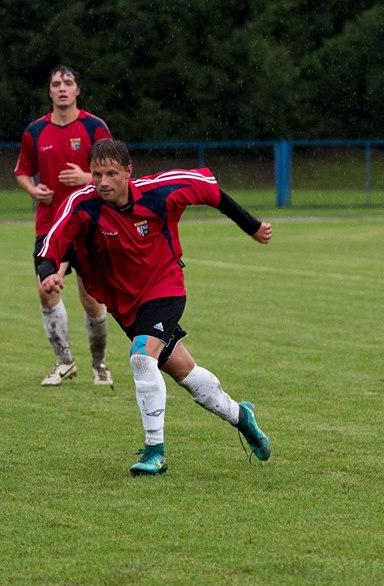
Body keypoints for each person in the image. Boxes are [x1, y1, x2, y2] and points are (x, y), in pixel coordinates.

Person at [37, 139, 273, 474]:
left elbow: (210, 190)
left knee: (140, 355)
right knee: (185, 373)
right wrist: (48, 272)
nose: (103, 182)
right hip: (125, 304)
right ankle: (241, 416)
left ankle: (154, 452)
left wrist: (252, 226)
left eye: (111, 174)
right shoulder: (82, 203)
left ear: (128, 172)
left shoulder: (159, 191)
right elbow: (51, 241)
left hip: (165, 286)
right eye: (97, 174)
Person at [15, 65, 114, 387]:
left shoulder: (94, 127)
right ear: (49, 90)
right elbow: (22, 171)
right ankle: (64, 362)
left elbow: (114, 171)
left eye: (68, 83)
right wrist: (33, 190)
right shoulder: (35, 131)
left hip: (88, 224)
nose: (62, 88)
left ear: (77, 90)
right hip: (50, 226)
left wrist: (86, 177)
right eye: (56, 83)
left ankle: (99, 365)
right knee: (46, 290)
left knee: (91, 298)